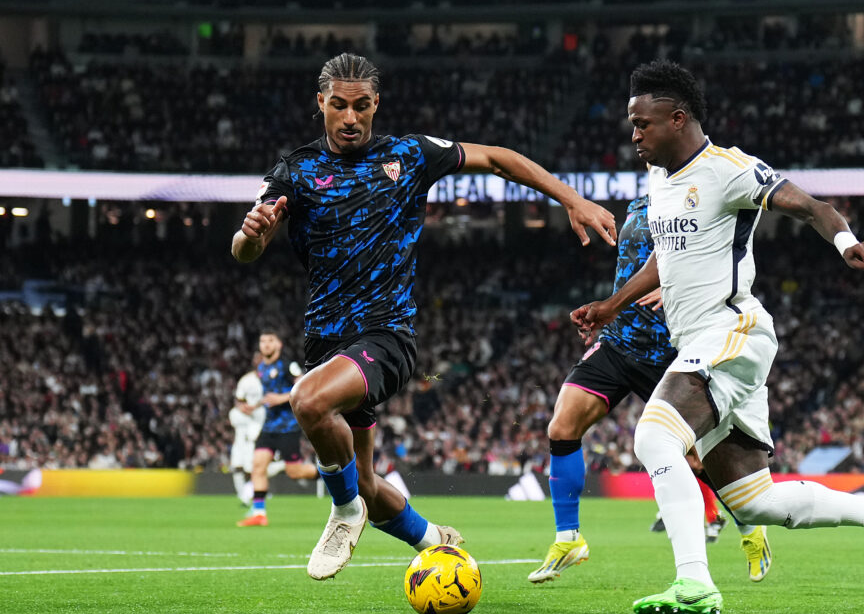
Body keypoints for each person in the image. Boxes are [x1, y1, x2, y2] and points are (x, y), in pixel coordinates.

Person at [231, 53, 617, 579]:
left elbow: (499, 158)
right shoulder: (294, 170)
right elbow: (243, 251)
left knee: (308, 401)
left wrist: (572, 199)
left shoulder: (409, 155)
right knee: (364, 481)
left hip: (386, 336)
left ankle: (343, 515)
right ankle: (437, 540)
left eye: (361, 106)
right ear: (320, 103)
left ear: (376, 105)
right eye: (339, 106)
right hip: (326, 343)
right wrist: (251, 235)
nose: (350, 118)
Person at [574, 60, 864, 614]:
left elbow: (811, 205)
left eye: (642, 124)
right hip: (700, 341)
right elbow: (665, 258)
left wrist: (846, 243)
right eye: (631, 123)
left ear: (678, 118)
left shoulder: (727, 169)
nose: (633, 135)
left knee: (656, 437)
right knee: (753, 500)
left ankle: (694, 583)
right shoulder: (660, 178)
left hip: (732, 329)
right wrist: (611, 305)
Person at [528, 195, 772, 585]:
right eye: (636, 130)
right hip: (621, 341)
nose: (638, 138)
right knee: (562, 426)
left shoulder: (700, 196)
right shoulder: (643, 201)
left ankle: (750, 525)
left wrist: (683, 283)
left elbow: (724, 256)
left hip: (672, 349)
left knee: (698, 461)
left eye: (644, 129)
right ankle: (568, 538)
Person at [237, 328, 319, 526]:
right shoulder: (262, 368)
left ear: (278, 344)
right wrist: (251, 406)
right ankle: (259, 513)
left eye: (270, 341)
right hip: (269, 426)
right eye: (263, 341)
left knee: (295, 472)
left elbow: (304, 388)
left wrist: (281, 398)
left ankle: (334, 473)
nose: (266, 344)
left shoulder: (288, 364)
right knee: (257, 466)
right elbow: (268, 397)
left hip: (288, 426)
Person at [228, 352, 266, 506]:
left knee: (254, 466)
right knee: (237, 466)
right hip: (244, 426)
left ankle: (253, 492)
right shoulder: (247, 380)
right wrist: (244, 408)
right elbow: (238, 400)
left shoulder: (271, 379)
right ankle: (243, 495)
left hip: (260, 424)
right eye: (256, 359)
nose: (259, 361)